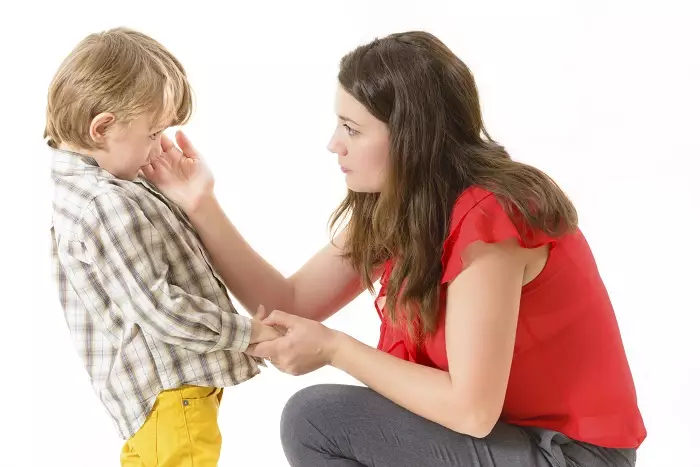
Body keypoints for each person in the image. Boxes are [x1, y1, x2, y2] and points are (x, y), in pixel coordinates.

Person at [144, 31, 646, 467]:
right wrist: (200, 203)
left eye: (352, 129)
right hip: (503, 442)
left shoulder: (490, 215)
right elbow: (290, 301)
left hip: (566, 454)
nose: (334, 144)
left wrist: (335, 348)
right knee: (315, 420)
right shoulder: (403, 206)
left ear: (411, 138)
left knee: (317, 420)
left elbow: (472, 410)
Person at [46, 27, 280, 467]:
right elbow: (160, 309)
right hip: (172, 396)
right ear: (102, 128)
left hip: (167, 399)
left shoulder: (103, 187)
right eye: (153, 133)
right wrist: (248, 334)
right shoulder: (105, 203)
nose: (158, 147)